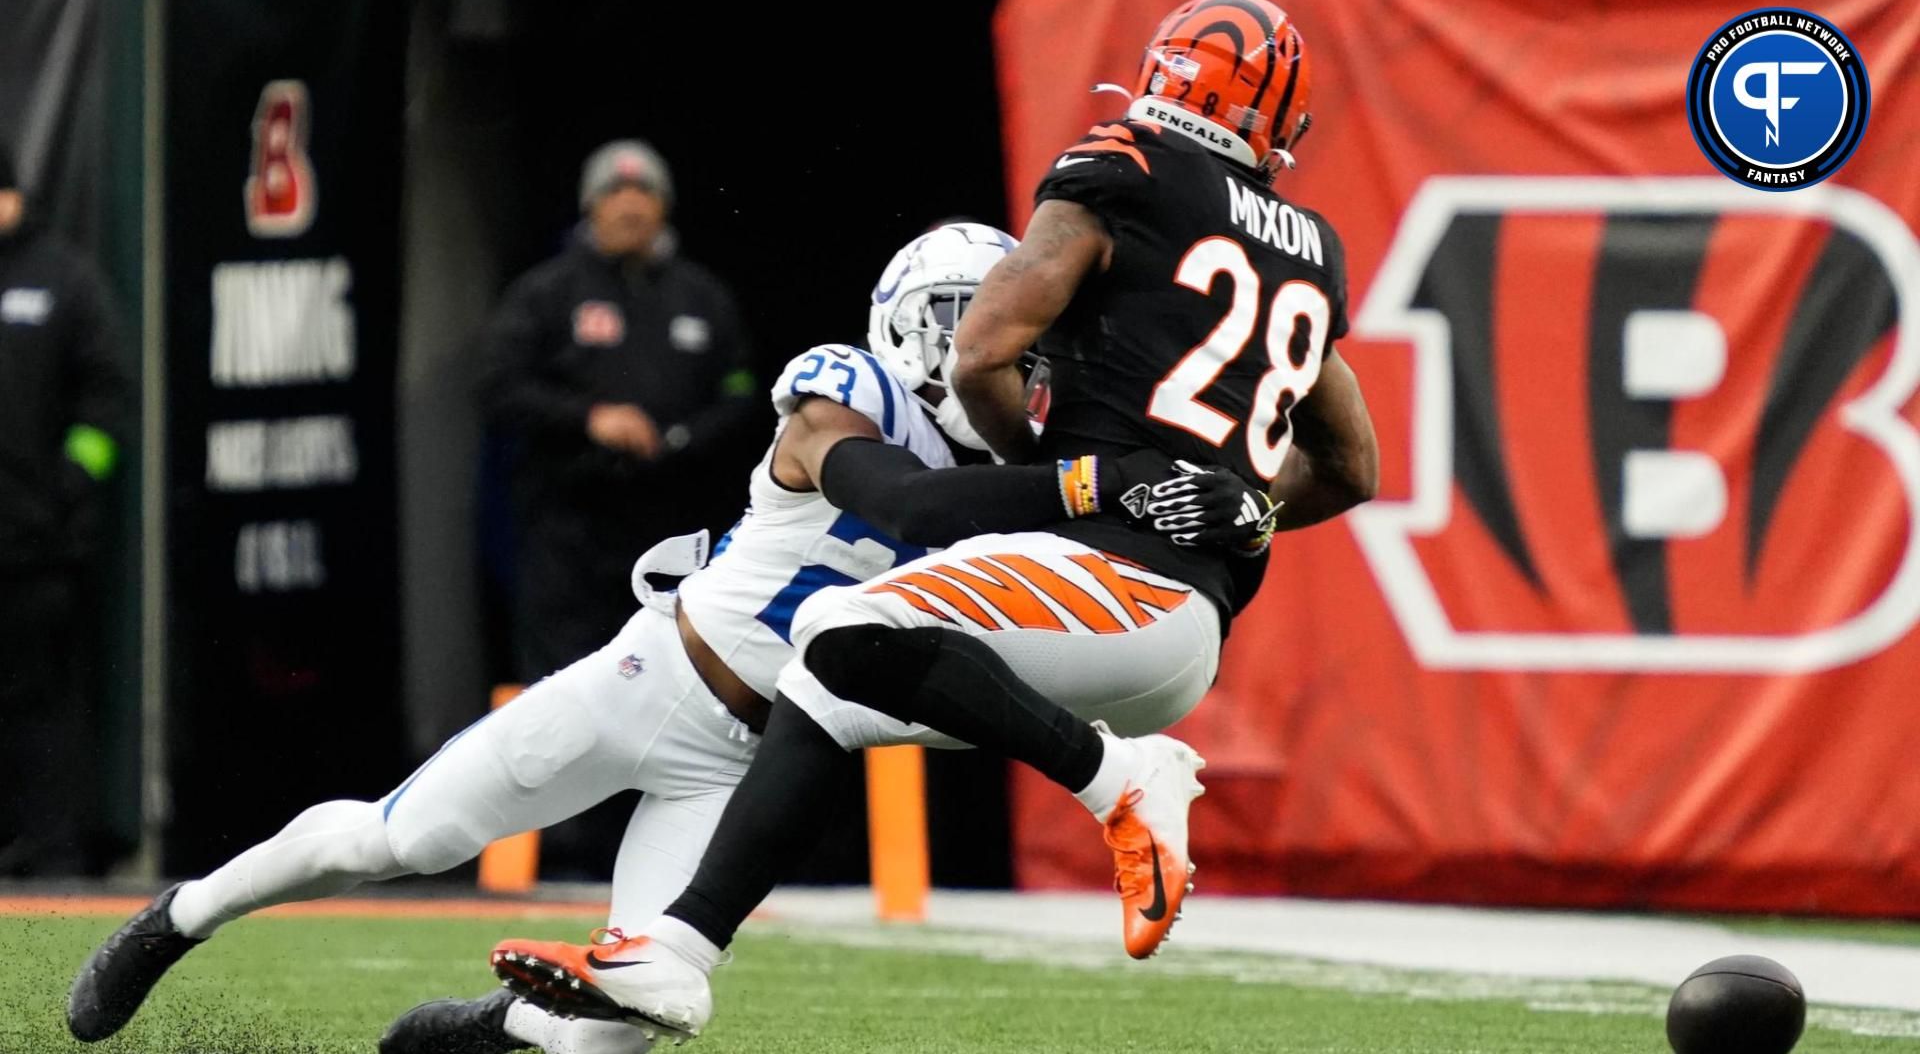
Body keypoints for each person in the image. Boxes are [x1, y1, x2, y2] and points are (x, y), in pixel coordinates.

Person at [65, 223, 1261, 1054]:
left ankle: (500, 1031)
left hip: (750, 756)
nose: (979, 349)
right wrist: (1107, 487)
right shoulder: (852, 390)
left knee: (622, 1022)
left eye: (995, 325)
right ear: (905, 322)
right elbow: (911, 508)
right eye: (958, 318)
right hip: (654, 678)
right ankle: (181, 917)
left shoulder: (1020, 468)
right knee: (403, 837)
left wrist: (1212, 508)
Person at [488, 0, 1379, 1042]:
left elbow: (981, 350)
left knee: (840, 627)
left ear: (1165, 75)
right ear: (1277, 122)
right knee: (832, 686)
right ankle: (674, 959)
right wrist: (1246, 511)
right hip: (1188, 627)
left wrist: (1055, 479)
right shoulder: (1307, 248)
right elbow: (1352, 465)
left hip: (1115, 582)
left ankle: (1120, 780)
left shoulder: (1125, 167)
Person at [479, 139, 756, 688]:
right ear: (591, 206)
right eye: (614, 191)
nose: (630, 204)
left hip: (671, 523)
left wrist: (678, 439)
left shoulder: (703, 297)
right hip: (567, 528)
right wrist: (589, 419)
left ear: (664, 205)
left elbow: (742, 392)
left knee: (672, 676)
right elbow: (496, 386)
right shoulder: (546, 293)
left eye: (643, 191)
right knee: (566, 681)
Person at [0, 137, 132, 876]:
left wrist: (69, 491)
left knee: (38, 705)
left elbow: (106, 404)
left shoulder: (64, 283)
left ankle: (51, 851)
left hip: (35, 547)